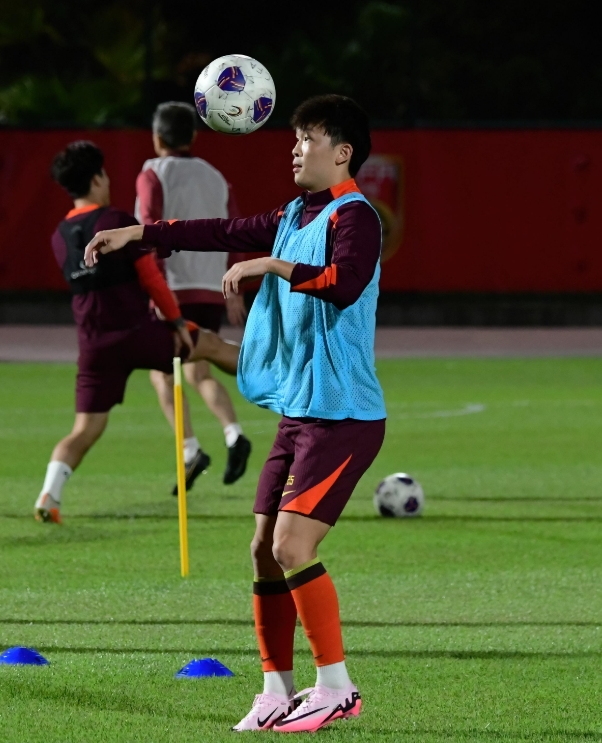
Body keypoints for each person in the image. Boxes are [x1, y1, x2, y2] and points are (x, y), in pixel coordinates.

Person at [84, 95, 383, 733]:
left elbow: (347, 283)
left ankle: (337, 687)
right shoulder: (295, 213)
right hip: (299, 413)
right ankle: (276, 690)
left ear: (342, 153)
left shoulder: (356, 215)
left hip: (344, 415)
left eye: (308, 139)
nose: (295, 149)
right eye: (295, 139)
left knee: (291, 545)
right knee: (262, 551)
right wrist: (139, 233)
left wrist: (272, 264)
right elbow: (217, 231)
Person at [33, 141, 240, 524]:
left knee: (85, 429)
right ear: (97, 178)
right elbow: (151, 278)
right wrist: (176, 322)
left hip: (94, 346)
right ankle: (281, 374)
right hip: (139, 333)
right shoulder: (115, 220)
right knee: (210, 345)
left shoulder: (58, 236)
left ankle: (49, 495)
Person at [137, 102, 252, 493]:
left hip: (173, 288)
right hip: (211, 288)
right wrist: (233, 286)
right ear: (193, 136)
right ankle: (234, 433)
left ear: (157, 137)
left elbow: (147, 230)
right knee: (199, 370)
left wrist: (153, 289)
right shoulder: (215, 177)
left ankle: (190, 451)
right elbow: (235, 231)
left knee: (161, 374)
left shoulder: (153, 172)